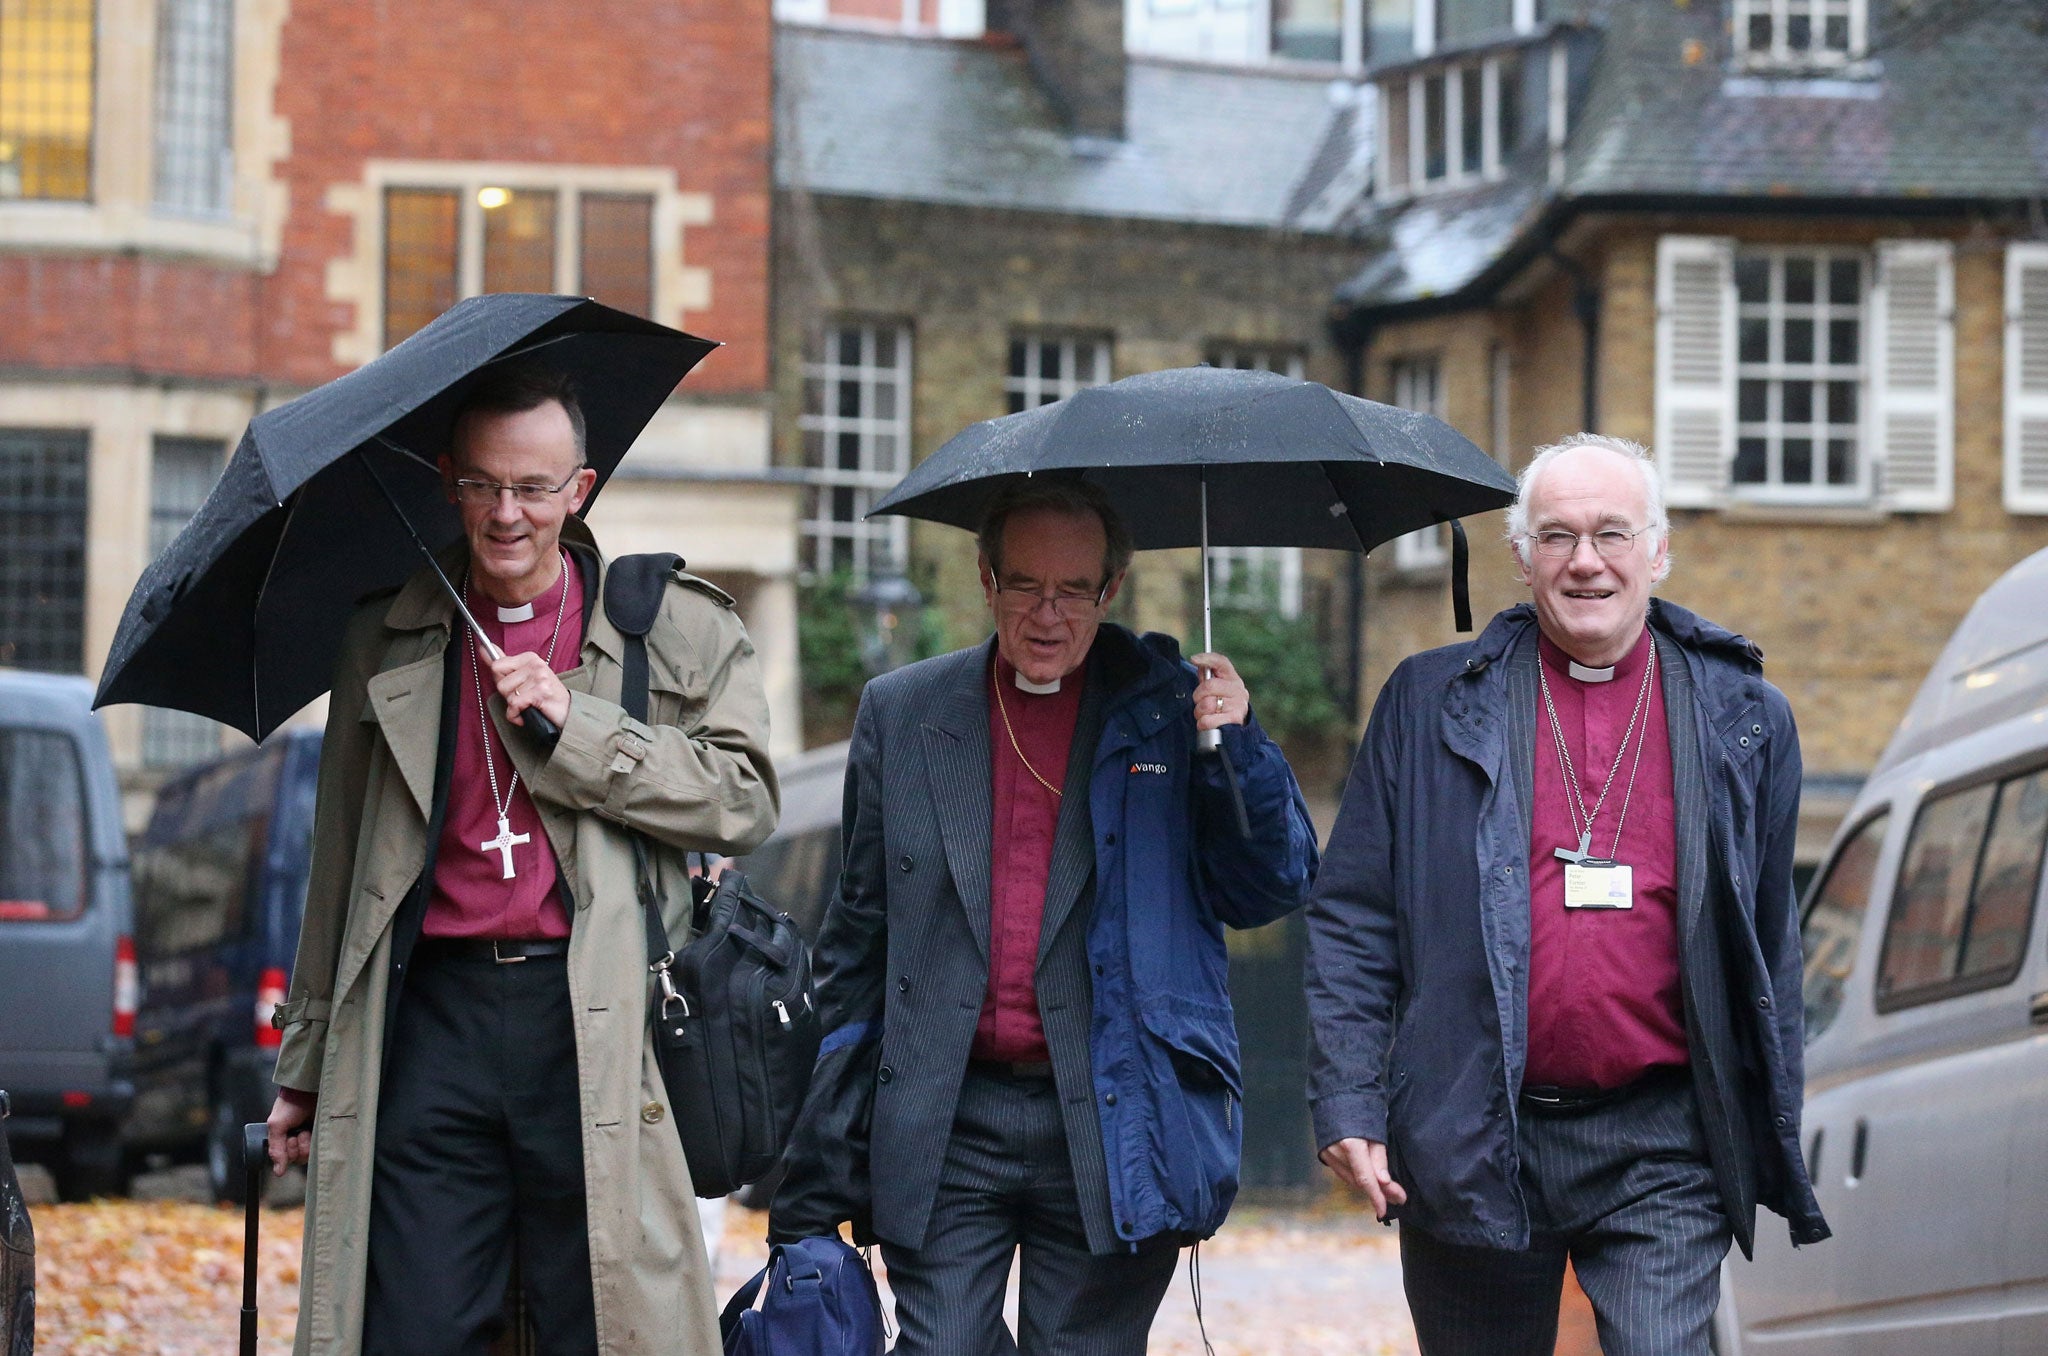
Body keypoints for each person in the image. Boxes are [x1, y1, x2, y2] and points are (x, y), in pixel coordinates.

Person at [262, 363, 779, 1356]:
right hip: (430, 1024)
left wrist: (575, 726)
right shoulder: (384, 637)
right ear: (448, 481)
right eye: (484, 485)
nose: (507, 514)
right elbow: (341, 865)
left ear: (578, 490)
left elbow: (743, 798)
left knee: (598, 1320)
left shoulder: (670, 627)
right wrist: (305, 1063)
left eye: (535, 488)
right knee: (412, 1325)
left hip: (593, 1018)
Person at [1304, 433, 1829, 1355]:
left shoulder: (1745, 718)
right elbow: (1354, 918)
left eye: (1612, 534)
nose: (1586, 561)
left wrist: (1769, 1114)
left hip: (1664, 1140)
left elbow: (1771, 941)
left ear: (1658, 552)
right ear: (1522, 558)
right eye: (1557, 537)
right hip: (1472, 1127)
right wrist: (1350, 1102)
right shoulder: (1428, 705)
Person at [769, 479, 1318, 1355]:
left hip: (1113, 1115)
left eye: (1074, 590)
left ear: (1111, 590)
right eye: (1025, 584)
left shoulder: (1172, 712)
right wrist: (815, 1154)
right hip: (946, 1115)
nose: (1049, 614)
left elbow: (1271, 888)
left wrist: (1238, 751)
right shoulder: (903, 713)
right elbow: (857, 938)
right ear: (986, 580)